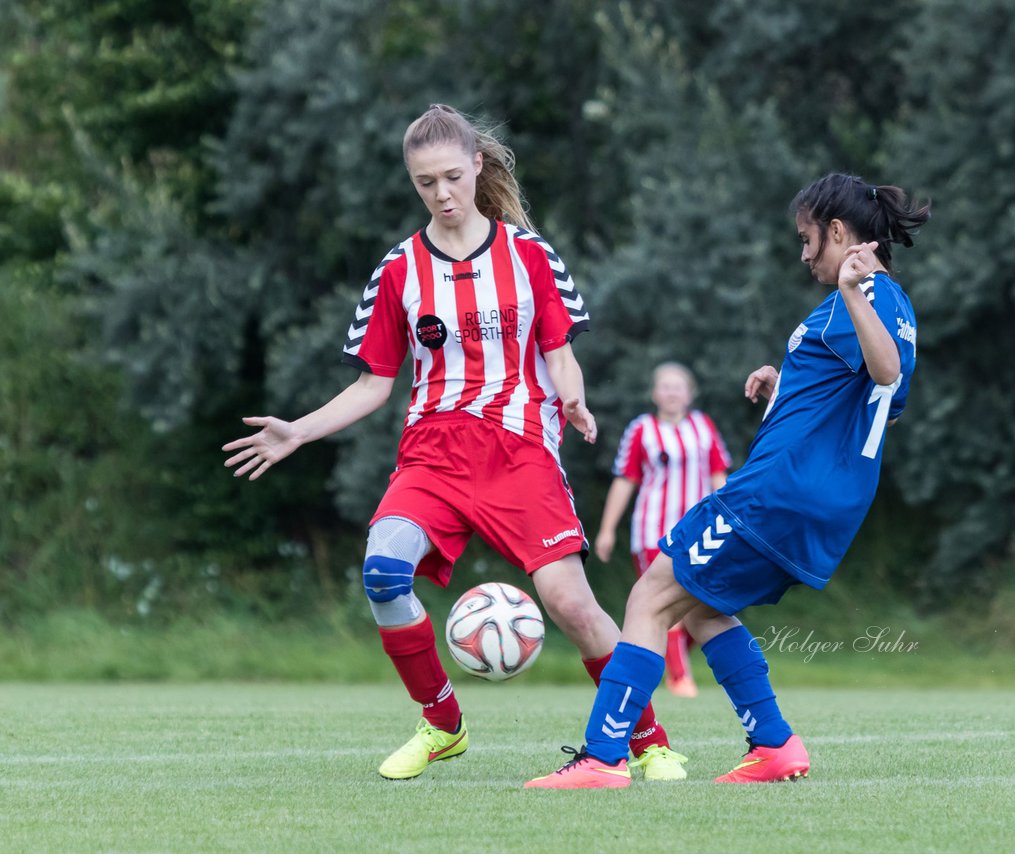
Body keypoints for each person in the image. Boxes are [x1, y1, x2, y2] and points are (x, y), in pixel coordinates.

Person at [222, 104, 685, 782]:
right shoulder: (398, 271)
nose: (441, 194)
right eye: (424, 183)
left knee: (572, 605)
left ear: (477, 166)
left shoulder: (529, 254)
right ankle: (442, 724)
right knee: (383, 570)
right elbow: (373, 385)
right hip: (433, 455)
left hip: (520, 446)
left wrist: (575, 395)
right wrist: (298, 429)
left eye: (450, 177)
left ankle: (647, 739)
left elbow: (559, 354)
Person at [525, 172, 929, 788]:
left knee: (649, 599)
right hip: (825, 503)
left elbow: (884, 373)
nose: (803, 253)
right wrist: (785, 385)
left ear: (839, 233)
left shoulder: (862, 294)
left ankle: (603, 757)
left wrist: (850, 293)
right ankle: (774, 745)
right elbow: (857, 407)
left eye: (807, 238)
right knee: (703, 611)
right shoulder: (897, 308)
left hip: (774, 493)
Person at [594, 362, 731, 697]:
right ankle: (679, 677)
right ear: (655, 393)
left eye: (678, 387)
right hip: (653, 532)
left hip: (700, 532)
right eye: (665, 387)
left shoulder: (703, 426)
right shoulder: (642, 429)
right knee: (663, 601)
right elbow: (625, 480)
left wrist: (728, 521)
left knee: (704, 604)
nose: (671, 393)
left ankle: (660, 664)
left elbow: (718, 476)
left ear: (690, 394)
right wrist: (607, 530)